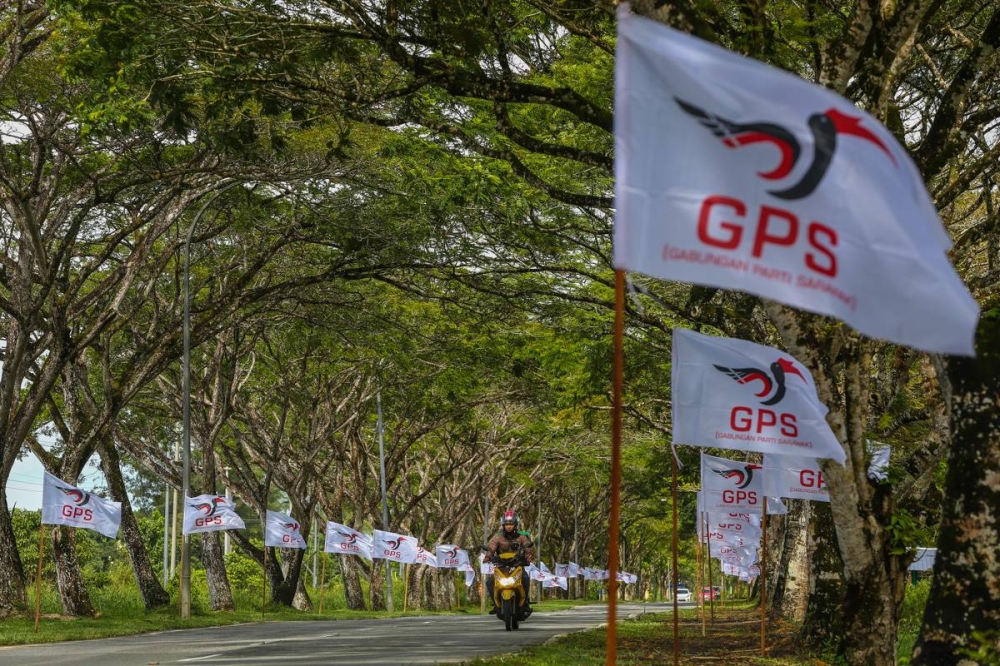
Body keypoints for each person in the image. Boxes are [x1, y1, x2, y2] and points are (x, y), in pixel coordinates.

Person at [483, 510, 534, 615]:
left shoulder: (521, 537)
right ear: (503, 525)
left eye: (511, 524)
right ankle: (496, 605)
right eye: (507, 524)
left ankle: (525, 604)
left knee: (525, 578)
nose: (509, 526)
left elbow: (527, 546)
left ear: (515, 524)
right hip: (501, 567)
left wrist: (529, 555)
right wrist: (488, 556)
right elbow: (491, 548)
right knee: (489, 582)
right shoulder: (497, 537)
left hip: (517, 566)